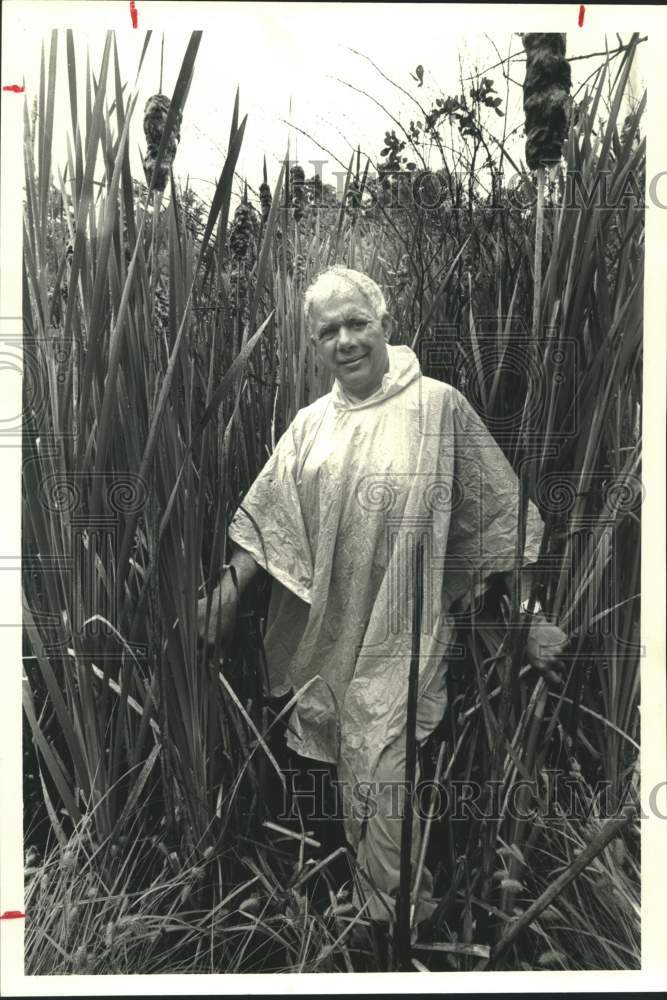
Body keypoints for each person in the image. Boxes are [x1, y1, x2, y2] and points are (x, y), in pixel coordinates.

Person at [197, 265, 567, 931]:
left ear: (384, 324)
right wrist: (227, 592)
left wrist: (526, 616)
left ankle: (397, 933)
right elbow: (267, 519)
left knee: (386, 780)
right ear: (315, 344)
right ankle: (367, 934)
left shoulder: (438, 408)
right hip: (324, 643)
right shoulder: (309, 426)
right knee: (342, 792)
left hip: (406, 638)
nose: (345, 340)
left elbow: (497, 514)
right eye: (327, 331)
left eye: (356, 323)